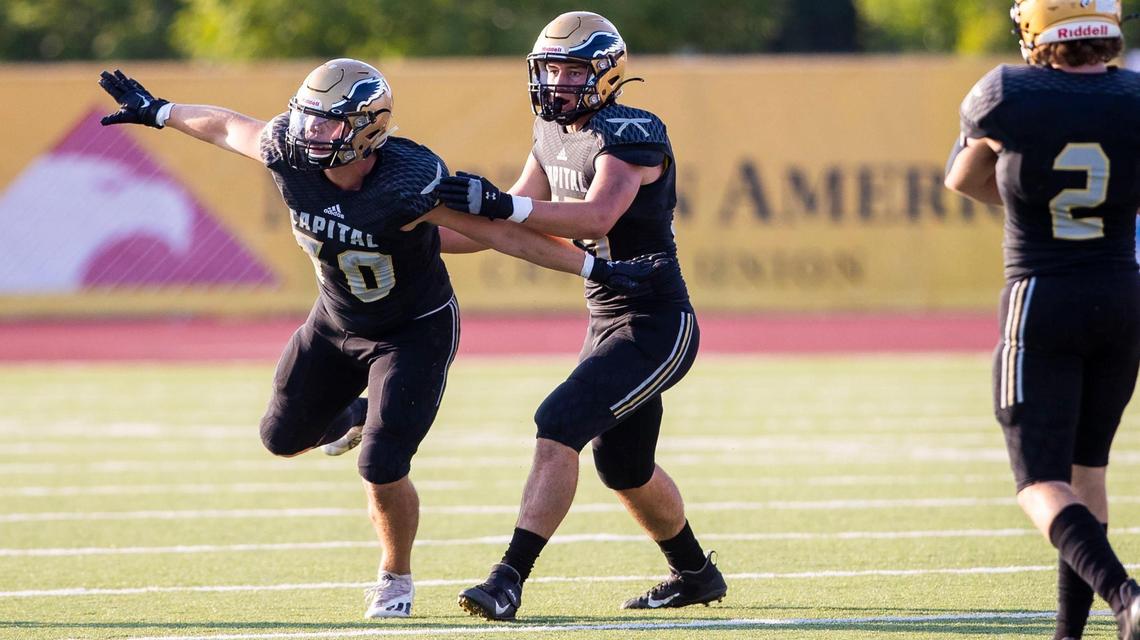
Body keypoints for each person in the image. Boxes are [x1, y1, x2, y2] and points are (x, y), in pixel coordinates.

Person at [97, 58, 666, 620]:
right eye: (308, 118)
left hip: (411, 331)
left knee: (382, 462)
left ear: (368, 128)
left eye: (328, 123)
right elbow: (227, 127)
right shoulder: (288, 150)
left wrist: (595, 271)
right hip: (335, 321)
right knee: (281, 438)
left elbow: (499, 234)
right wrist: (161, 111)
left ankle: (394, 577)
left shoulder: (408, 177)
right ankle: (353, 413)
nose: (311, 133)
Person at [434, 11, 726, 621]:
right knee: (624, 466)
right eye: (551, 70)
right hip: (605, 315)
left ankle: (508, 578)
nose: (557, 83)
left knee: (558, 421)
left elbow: (595, 218)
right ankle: (696, 574)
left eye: (571, 70)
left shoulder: (632, 130)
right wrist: (416, 232)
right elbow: (504, 224)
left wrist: (503, 204)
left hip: (654, 318)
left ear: (606, 73)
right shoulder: (550, 130)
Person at [945, 2, 1140, 638]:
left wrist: (1035, 202)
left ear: (1036, 28)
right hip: (1121, 293)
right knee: (1090, 472)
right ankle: (1069, 634)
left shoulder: (1008, 91)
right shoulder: (1134, 93)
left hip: (1043, 294)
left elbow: (962, 177)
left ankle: (1125, 596)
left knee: (1038, 481)